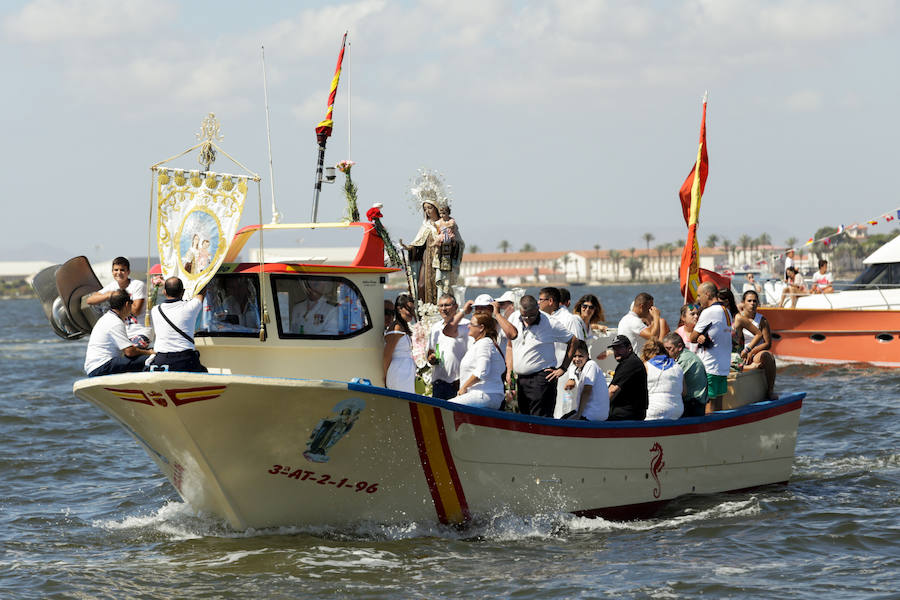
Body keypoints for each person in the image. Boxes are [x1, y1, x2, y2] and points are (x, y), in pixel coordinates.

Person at [495, 295, 575, 417]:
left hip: (542, 377)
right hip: (521, 379)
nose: (528, 319)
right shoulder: (514, 317)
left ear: (538, 308)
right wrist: (509, 370)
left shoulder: (550, 323)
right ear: (520, 311)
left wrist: (563, 368)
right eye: (524, 316)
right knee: (524, 416)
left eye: (532, 315)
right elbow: (510, 345)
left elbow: (574, 341)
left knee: (540, 417)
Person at [84, 289, 155, 377]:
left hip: (98, 366)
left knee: (143, 355)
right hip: (101, 368)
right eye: (131, 303)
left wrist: (147, 351)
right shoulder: (115, 322)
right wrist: (149, 353)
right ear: (126, 304)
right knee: (152, 359)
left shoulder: (108, 318)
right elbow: (129, 352)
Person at [538, 287, 585, 417]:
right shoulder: (545, 318)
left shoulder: (570, 319)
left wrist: (572, 376)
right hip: (552, 372)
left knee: (566, 407)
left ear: (552, 301)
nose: (538, 302)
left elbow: (579, 348)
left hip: (566, 372)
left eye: (541, 300)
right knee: (554, 406)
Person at [148, 277, 207, 372]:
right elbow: (202, 291)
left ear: (164, 292)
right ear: (182, 292)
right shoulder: (190, 307)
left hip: (162, 360)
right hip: (185, 360)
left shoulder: (155, 310)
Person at [690, 282, 732, 413]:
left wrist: (699, 336)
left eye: (699, 295)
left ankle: (707, 431)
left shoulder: (709, 312)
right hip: (723, 366)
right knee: (718, 404)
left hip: (710, 365)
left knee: (709, 404)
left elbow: (692, 337)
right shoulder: (727, 311)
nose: (698, 299)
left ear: (707, 294)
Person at [454, 312, 506, 409]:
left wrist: (464, 387)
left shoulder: (485, 343)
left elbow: (482, 371)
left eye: (472, 324)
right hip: (482, 395)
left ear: (481, 328)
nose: (468, 326)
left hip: (484, 394)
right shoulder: (480, 344)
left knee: (444, 407)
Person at [86, 256, 148, 338]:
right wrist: (109, 295)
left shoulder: (138, 285)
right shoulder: (112, 286)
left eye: (122, 270)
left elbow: (136, 311)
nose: (119, 273)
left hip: (139, 332)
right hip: (120, 333)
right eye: (116, 270)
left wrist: (118, 299)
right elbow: (90, 300)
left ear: (128, 272)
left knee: (130, 351)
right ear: (112, 272)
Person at [736, 290, 778, 399]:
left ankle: (770, 390)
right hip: (740, 353)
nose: (752, 303)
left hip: (756, 352)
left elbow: (768, 343)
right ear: (743, 303)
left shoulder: (762, 320)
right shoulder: (738, 318)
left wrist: (752, 351)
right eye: (749, 301)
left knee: (768, 356)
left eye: (755, 301)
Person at [427, 293, 469, 399]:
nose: (444, 309)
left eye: (447, 305)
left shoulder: (466, 325)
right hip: (438, 382)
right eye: (441, 306)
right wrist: (431, 358)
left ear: (456, 306)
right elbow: (430, 350)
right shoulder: (435, 328)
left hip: (458, 382)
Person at [561, 340, 609, 421]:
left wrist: (578, 415)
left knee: (563, 422)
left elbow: (587, 390)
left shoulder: (591, 365)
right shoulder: (581, 369)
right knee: (563, 418)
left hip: (592, 415)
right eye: (574, 356)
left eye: (580, 356)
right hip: (589, 412)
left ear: (587, 355)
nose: (577, 359)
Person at [662, 332, 708, 417]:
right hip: (694, 402)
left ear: (679, 347)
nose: (666, 352)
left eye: (669, 348)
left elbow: (671, 382)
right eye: (664, 349)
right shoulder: (684, 355)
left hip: (693, 405)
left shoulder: (684, 360)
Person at [606, 335, 648, 421]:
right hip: (629, 413)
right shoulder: (630, 362)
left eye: (619, 348)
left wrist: (598, 406)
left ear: (629, 348)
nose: (616, 351)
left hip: (627, 415)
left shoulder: (631, 363)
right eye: (614, 348)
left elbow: (612, 390)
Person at [641, 340, 685, 420]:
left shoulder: (645, 366)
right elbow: (684, 392)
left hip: (653, 411)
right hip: (677, 411)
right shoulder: (678, 366)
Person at [383, 294, 416, 392]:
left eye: (413, 309)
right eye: (408, 309)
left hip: (405, 373)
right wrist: (385, 376)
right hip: (399, 372)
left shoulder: (402, 327)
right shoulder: (396, 327)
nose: (411, 313)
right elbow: (386, 355)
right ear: (399, 309)